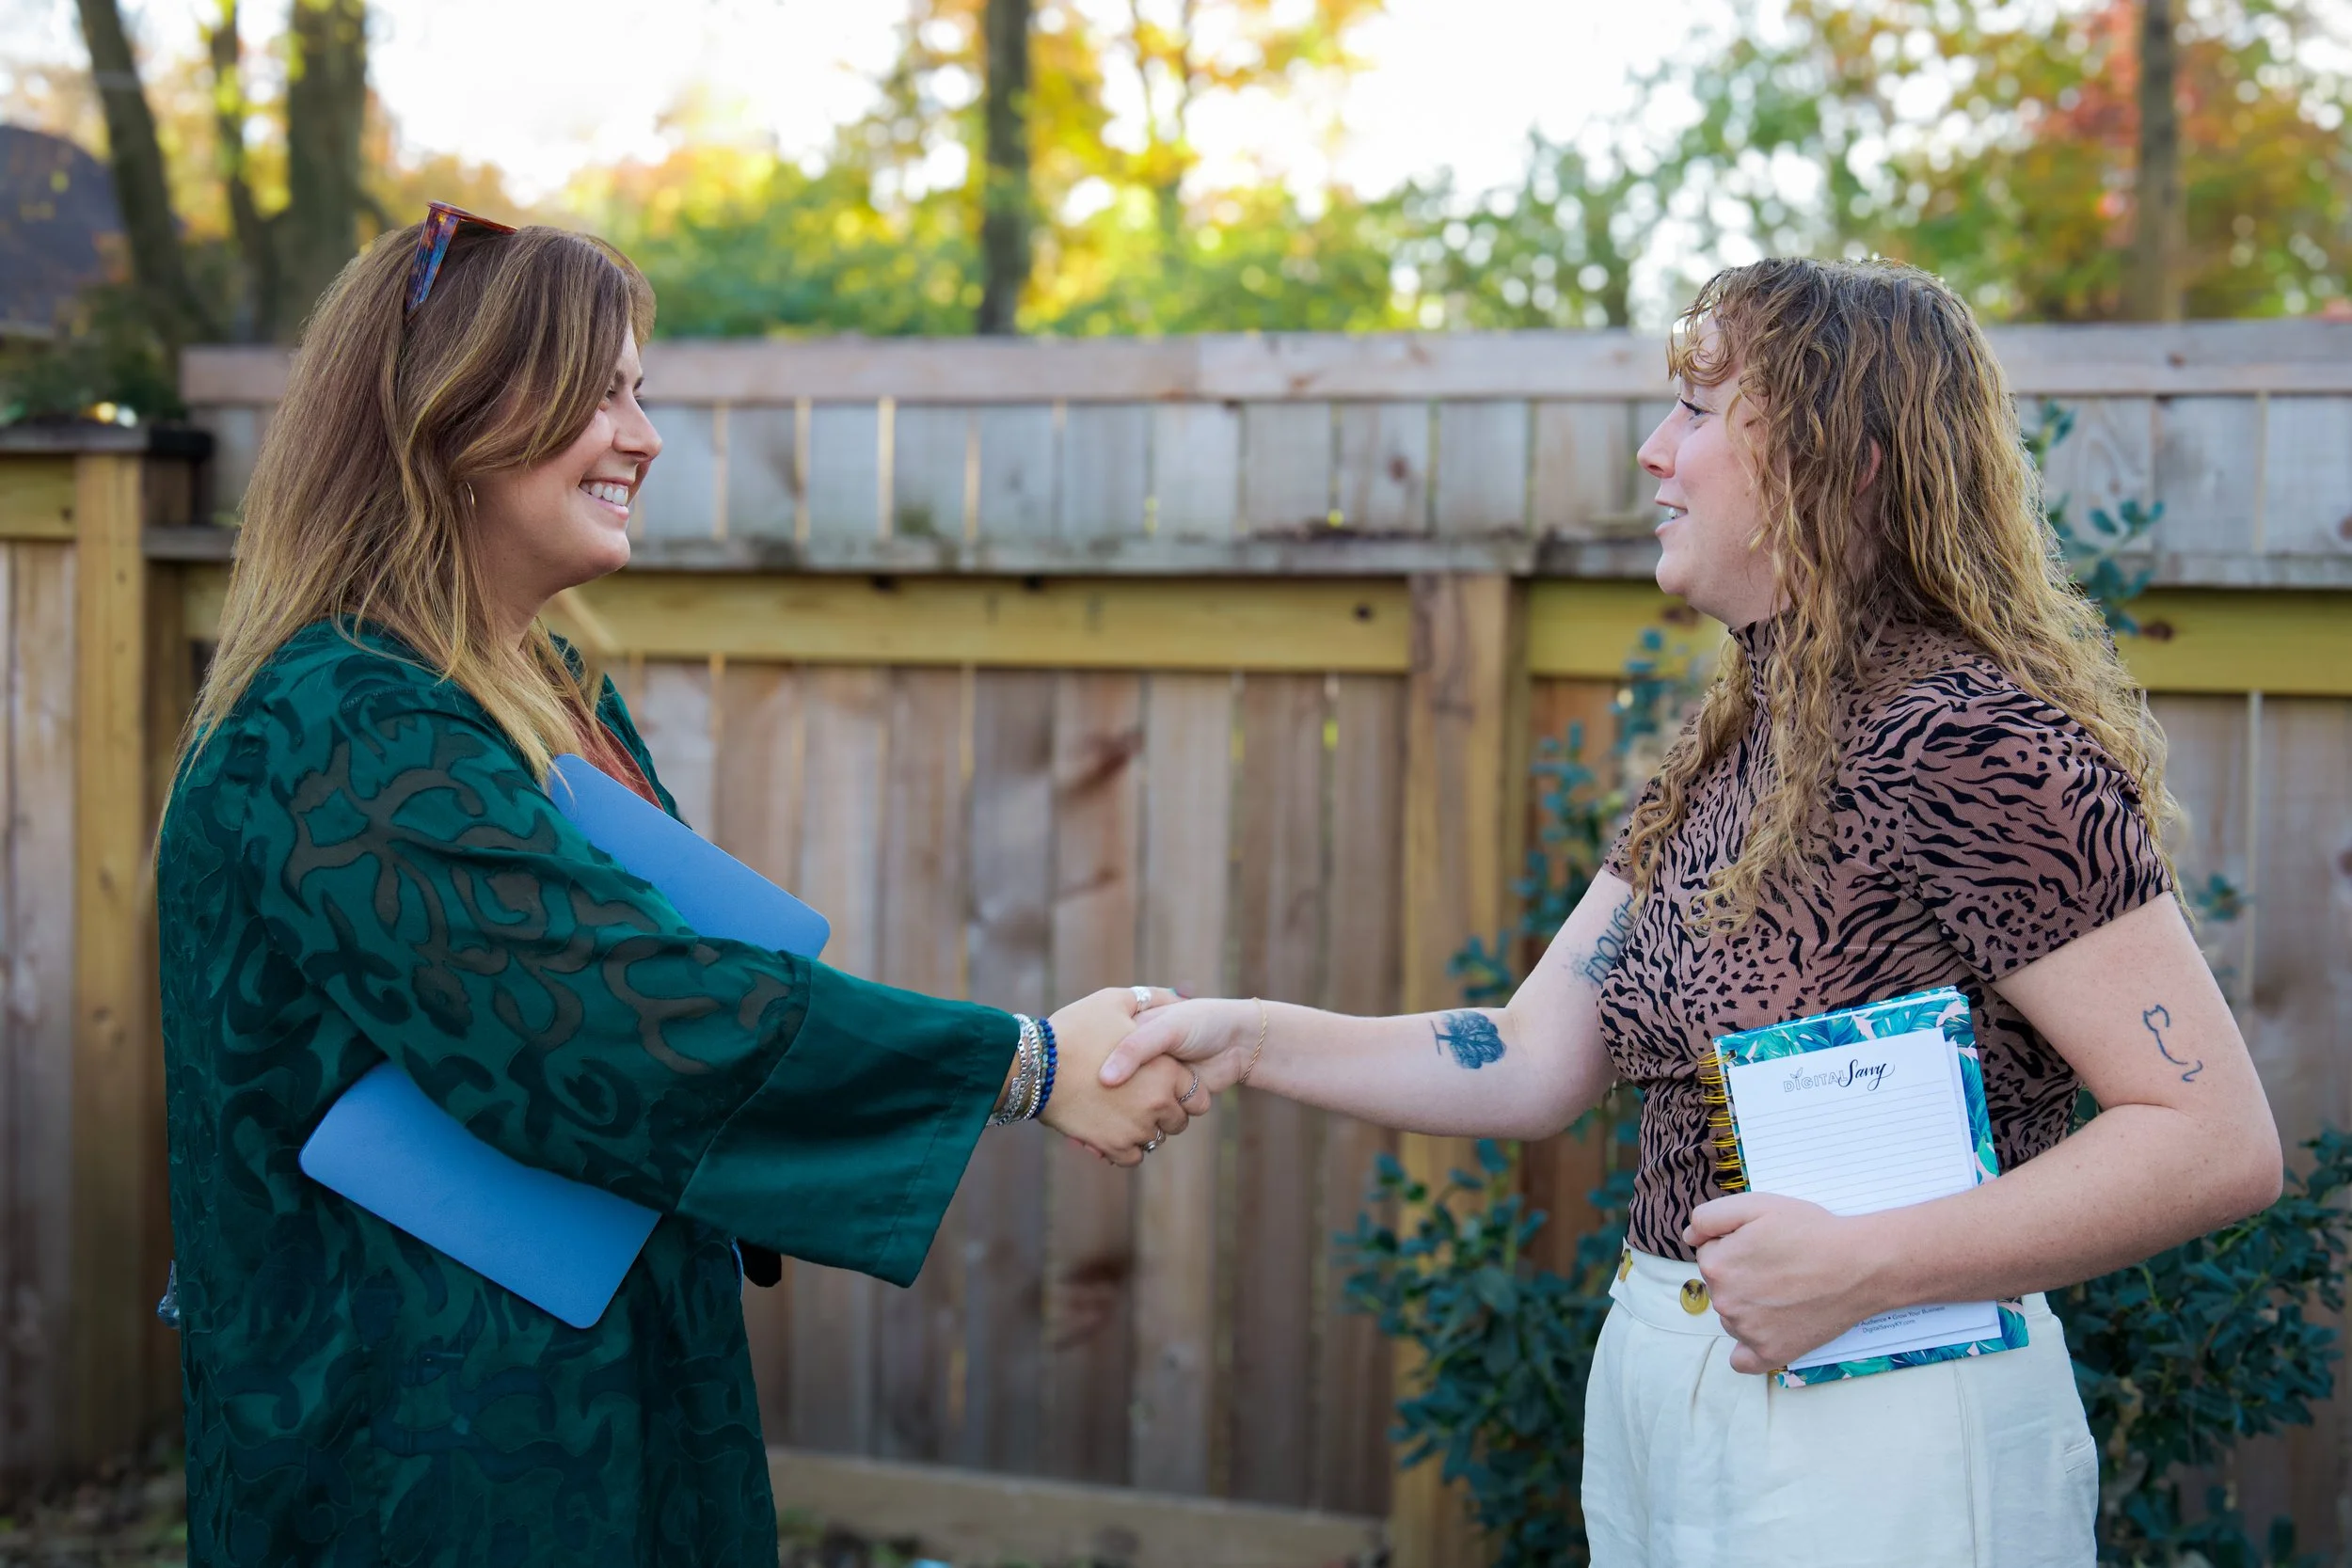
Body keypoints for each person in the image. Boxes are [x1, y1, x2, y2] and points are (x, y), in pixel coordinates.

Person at [1102, 257, 2283, 1566]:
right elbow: (1532, 1055)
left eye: (1704, 411)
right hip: (1670, 1383)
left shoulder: (1969, 744)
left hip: (1881, 1427)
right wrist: (1249, 1038)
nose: (1657, 452)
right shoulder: (1737, 744)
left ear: (1848, 459)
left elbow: (2214, 1138)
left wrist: (1869, 1264)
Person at [157, 208, 1201, 1567]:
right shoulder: (342, 722)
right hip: (428, 1433)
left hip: (604, 1376)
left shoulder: (545, 696)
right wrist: (1029, 1064)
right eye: (601, 392)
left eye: (639, 391)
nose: (643, 435)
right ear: (451, 414)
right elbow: (614, 1013)